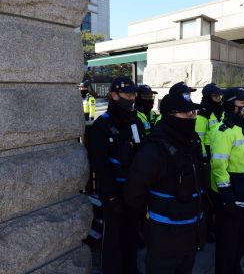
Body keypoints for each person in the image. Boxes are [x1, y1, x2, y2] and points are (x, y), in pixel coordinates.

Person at [125, 82, 207, 274]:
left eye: (194, 113)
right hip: (165, 239)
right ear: (170, 115)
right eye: (186, 114)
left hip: (191, 234)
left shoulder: (192, 141)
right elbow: (134, 194)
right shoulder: (153, 150)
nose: (192, 117)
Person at [88, 77, 143, 274]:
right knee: (113, 241)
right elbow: (100, 164)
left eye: (133, 94)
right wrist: (111, 196)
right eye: (127, 94)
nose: (132, 98)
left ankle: (131, 269)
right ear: (114, 95)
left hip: (134, 192)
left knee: (131, 236)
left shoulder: (135, 121)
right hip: (114, 194)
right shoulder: (101, 125)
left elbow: (141, 154)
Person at [210, 87, 244, 274]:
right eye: (242, 103)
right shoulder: (223, 131)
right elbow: (219, 167)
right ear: (230, 105)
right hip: (231, 192)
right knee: (227, 239)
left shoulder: (242, 126)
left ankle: (235, 267)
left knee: (240, 236)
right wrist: (227, 196)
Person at [196, 83, 224, 243]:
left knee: (216, 194)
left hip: (219, 156)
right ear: (207, 97)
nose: (218, 99)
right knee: (208, 197)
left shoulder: (219, 112)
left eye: (220, 96)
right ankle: (208, 229)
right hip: (208, 159)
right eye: (215, 96)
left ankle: (215, 225)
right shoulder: (203, 114)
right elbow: (199, 138)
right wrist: (204, 158)